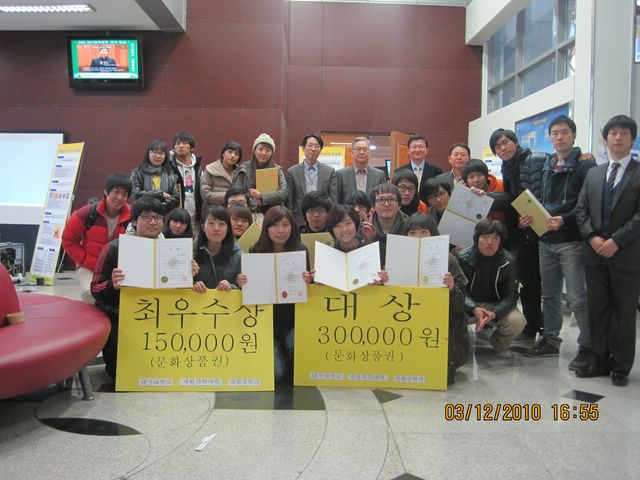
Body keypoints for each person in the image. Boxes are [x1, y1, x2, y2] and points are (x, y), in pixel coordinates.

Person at [523, 115, 595, 371]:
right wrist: (530, 217)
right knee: (550, 295)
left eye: (564, 132)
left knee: (577, 298)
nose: (559, 137)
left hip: (571, 240)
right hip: (546, 239)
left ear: (573, 135)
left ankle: (588, 346)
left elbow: (587, 204)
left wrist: (564, 220)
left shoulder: (585, 166)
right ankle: (551, 339)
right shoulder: (547, 163)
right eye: (554, 133)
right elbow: (541, 200)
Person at [574, 114, 640, 387]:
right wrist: (592, 237)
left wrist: (616, 241)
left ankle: (621, 366)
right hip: (595, 254)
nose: (618, 138)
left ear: (632, 139)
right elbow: (581, 210)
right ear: (605, 138)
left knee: (624, 313)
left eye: (624, 133)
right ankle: (599, 360)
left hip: (626, 255)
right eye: (613, 133)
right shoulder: (594, 173)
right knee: (597, 310)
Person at [91, 197, 176, 378]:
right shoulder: (114, 249)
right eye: (146, 216)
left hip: (160, 314)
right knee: (119, 374)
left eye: (158, 217)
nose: (153, 222)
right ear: (134, 221)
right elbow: (96, 289)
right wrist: (112, 286)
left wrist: (188, 275)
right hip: (121, 315)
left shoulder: (172, 252)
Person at [237, 206, 313, 383]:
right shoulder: (256, 251)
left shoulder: (301, 250)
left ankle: (286, 350)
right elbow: (250, 289)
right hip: (267, 322)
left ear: (292, 226)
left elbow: (307, 290)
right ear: (266, 228)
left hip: (293, 319)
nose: (281, 230)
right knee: (277, 374)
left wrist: (309, 280)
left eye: (285, 225)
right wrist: (242, 282)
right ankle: (278, 348)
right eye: (275, 225)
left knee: (301, 361)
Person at [489, 128, 548, 342]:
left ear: (515, 142)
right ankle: (533, 326)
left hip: (543, 229)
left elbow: (542, 193)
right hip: (525, 232)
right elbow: (512, 199)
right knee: (529, 282)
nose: (503, 148)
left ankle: (546, 333)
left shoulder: (536, 159)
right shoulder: (508, 168)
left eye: (505, 142)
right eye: (497, 146)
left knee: (541, 286)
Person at [405, 213, 468, 383]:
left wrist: (452, 289)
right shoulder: (398, 257)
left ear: (433, 234)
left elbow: (461, 305)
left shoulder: (449, 260)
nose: (418, 238)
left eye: (423, 232)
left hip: (441, 325)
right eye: (412, 233)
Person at [456, 218, 525, 359]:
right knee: (448, 314)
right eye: (485, 237)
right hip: (468, 305)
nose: (489, 242)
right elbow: (459, 290)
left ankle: (499, 344)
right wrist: (474, 308)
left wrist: (494, 313)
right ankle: (458, 345)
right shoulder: (463, 258)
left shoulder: (509, 261)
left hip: (495, 306)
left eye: (495, 238)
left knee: (517, 321)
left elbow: (511, 296)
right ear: (477, 239)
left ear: (500, 241)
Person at [61, 173, 132, 304]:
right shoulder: (87, 213)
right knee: (89, 293)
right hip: (90, 266)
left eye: (124, 194)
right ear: (106, 191)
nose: (119, 197)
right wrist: (85, 260)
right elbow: (68, 240)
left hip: (118, 269)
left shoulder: (132, 217)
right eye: (116, 192)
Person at [325, 205, 388, 284]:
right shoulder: (327, 257)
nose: (344, 229)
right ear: (332, 230)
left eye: (348, 223)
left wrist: (383, 281)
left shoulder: (372, 252)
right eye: (338, 225)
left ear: (356, 224)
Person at [287, 134, 337, 227]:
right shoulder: (292, 172)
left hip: (322, 220)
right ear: (303, 148)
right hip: (299, 219)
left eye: (317, 146)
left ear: (321, 149)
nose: (313, 149)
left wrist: (331, 219)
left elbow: (333, 199)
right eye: (310, 145)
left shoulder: (329, 171)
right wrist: (289, 219)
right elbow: (290, 200)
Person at [233, 133, 288, 214]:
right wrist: (255, 202)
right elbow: (236, 193)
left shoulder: (277, 170)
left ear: (272, 153)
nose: (263, 153)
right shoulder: (244, 168)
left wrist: (261, 196)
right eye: (260, 149)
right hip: (248, 213)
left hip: (272, 213)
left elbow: (284, 193)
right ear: (254, 150)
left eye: (268, 150)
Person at [192, 206, 242, 292]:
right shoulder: (191, 253)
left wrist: (231, 287)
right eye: (211, 223)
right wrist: (193, 284)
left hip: (227, 300)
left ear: (228, 228)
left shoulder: (238, 255)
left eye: (221, 224)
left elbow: (244, 288)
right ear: (203, 227)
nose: (216, 228)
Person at [363, 184, 408, 265]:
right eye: (381, 200)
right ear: (373, 207)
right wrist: (368, 240)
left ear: (399, 206)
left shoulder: (409, 226)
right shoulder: (364, 227)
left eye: (391, 199)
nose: (386, 204)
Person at [131, 139, 180, 213]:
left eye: (161, 153)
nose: (158, 156)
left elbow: (175, 198)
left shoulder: (170, 174)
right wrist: (160, 194)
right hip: (142, 213)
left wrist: (159, 207)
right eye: (155, 153)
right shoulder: (138, 172)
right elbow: (136, 194)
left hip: (164, 214)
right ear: (149, 153)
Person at [336, 137, 387, 204]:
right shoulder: (341, 174)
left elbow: (382, 198)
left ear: (369, 152)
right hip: (349, 210)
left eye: (365, 149)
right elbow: (337, 201)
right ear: (352, 152)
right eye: (358, 149)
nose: (362, 152)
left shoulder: (379, 175)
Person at [394, 134, 442, 203]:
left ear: (426, 150)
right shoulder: (399, 171)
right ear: (408, 150)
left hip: (429, 208)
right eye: (414, 147)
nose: (417, 150)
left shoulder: (436, 171)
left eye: (421, 147)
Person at [169, 131, 203, 230]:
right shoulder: (169, 166)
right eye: (178, 143)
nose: (181, 146)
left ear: (191, 148)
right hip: (175, 220)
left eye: (184, 143)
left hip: (195, 219)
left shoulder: (197, 168)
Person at [200, 140, 243, 208]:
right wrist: (229, 196)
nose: (233, 156)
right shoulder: (210, 169)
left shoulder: (241, 172)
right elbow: (205, 195)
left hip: (234, 211)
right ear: (223, 153)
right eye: (230, 152)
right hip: (214, 210)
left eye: (237, 154)